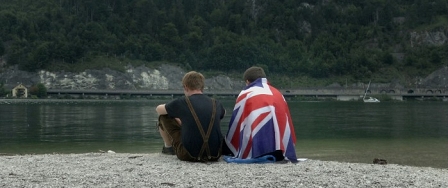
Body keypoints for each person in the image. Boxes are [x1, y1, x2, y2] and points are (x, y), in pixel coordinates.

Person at [224, 66, 297, 162]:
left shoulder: (246, 93)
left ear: (247, 81)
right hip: (280, 152)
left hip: (255, 151)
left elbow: (236, 124)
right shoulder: (278, 94)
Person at [156, 71, 226, 162]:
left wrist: (177, 117)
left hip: (188, 155)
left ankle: (168, 148)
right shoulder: (215, 103)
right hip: (215, 154)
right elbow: (223, 113)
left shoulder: (182, 102)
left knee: (163, 116)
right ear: (202, 87)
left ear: (185, 87)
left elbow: (159, 109)